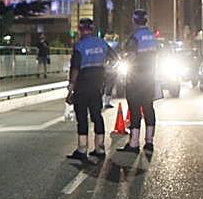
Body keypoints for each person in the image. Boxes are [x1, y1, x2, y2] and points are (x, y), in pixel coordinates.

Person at [66, 17, 111, 161]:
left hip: (82, 84)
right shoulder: (102, 44)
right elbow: (115, 58)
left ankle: (82, 149)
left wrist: (71, 89)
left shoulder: (80, 46)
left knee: (82, 117)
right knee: (97, 115)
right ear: (92, 29)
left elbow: (75, 68)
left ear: (80, 29)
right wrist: (105, 73)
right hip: (97, 84)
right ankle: (100, 148)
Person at [118, 9, 160, 155]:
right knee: (149, 108)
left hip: (136, 79)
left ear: (134, 20)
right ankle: (149, 142)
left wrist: (122, 61)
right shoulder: (152, 37)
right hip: (150, 78)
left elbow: (130, 57)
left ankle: (134, 143)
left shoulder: (135, 38)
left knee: (135, 109)